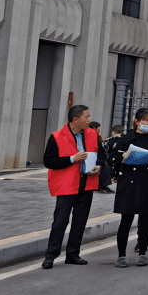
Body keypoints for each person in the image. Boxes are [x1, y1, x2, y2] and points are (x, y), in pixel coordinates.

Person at [41, 105, 102, 269]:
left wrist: (99, 167)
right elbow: (49, 161)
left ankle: (73, 254)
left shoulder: (92, 135)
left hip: (86, 183)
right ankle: (50, 256)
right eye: (86, 117)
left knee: (80, 221)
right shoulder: (57, 136)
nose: (89, 120)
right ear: (75, 119)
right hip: (66, 184)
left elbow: (102, 156)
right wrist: (71, 159)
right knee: (60, 221)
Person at [109, 108, 148, 267]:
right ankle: (121, 255)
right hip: (129, 182)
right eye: (145, 120)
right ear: (137, 121)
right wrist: (123, 156)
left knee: (146, 219)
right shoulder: (126, 138)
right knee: (126, 219)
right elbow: (112, 158)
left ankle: (142, 253)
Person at [98, 124, 122, 194]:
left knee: (108, 169)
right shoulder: (123, 140)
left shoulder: (108, 140)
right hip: (120, 158)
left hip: (110, 158)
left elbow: (104, 148)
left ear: (113, 132)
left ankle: (104, 184)